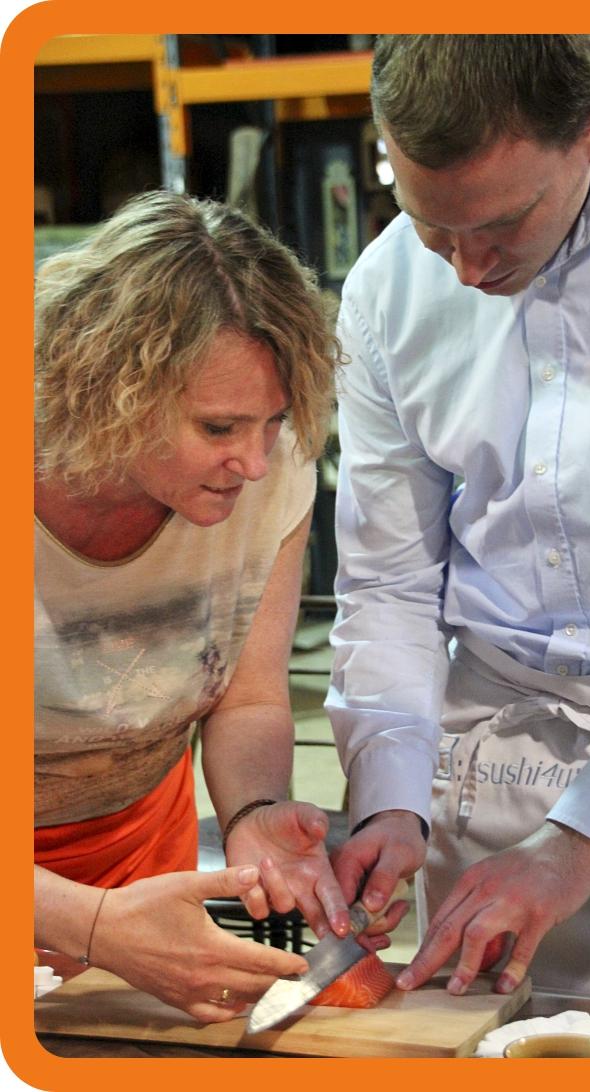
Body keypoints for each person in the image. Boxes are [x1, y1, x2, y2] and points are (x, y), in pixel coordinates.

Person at [326, 35, 590, 1007]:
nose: (465, 269)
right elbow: (389, 581)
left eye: (500, 223)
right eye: (430, 223)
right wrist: (389, 802)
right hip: (485, 771)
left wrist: (579, 843)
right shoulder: (385, 290)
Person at [34, 190, 359, 1023]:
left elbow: (247, 698)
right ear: (106, 390)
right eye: (218, 428)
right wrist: (91, 923)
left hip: (141, 858)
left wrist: (254, 813)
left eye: (272, 421)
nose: (255, 463)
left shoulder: (266, 470)